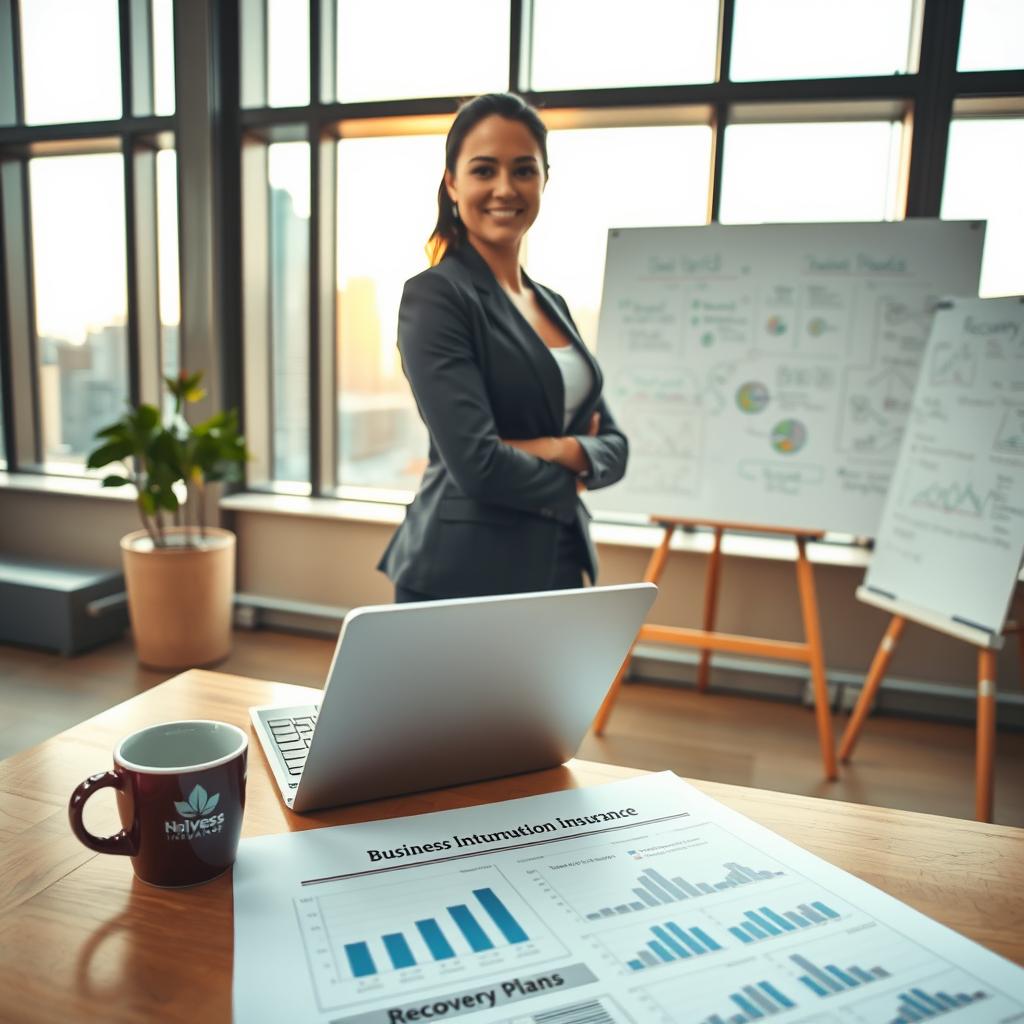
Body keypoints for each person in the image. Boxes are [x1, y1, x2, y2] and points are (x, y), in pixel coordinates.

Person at [378, 93, 628, 602]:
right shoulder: (436, 297)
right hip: (465, 570)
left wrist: (557, 448)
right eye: (484, 170)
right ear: (452, 182)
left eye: (523, 170)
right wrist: (571, 476)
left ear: (544, 180)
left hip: (557, 558)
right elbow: (477, 465)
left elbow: (616, 446)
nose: (505, 188)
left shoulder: (552, 302)